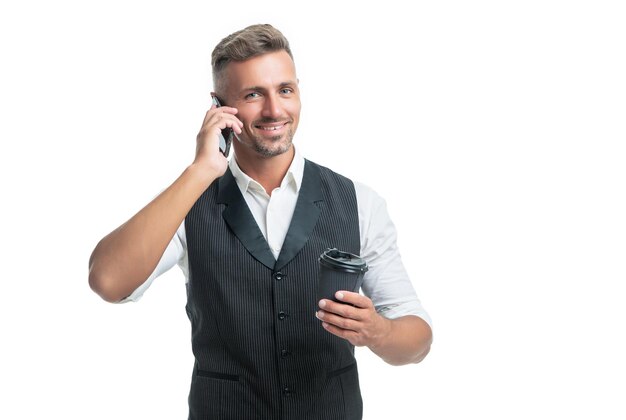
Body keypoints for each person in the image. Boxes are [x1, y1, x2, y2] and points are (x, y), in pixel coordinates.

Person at [88, 23, 432, 420]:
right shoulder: (189, 204)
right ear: (219, 106)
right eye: (253, 95)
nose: (274, 110)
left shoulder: (359, 202)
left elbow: (418, 340)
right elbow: (108, 281)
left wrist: (379, 332)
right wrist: (200, 172)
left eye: (285, 90)